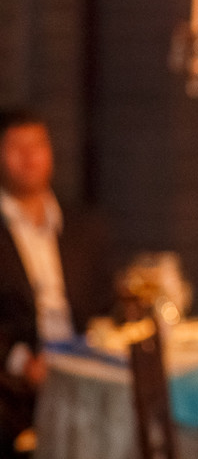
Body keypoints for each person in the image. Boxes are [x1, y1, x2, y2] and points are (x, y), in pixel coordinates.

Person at [0, 110, 110, 459]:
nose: (30, 157)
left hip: (84, 365)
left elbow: (107, 305)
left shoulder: (83, 225)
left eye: (38, 145)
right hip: (16, 383)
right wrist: (22, 363)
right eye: (17, 147)